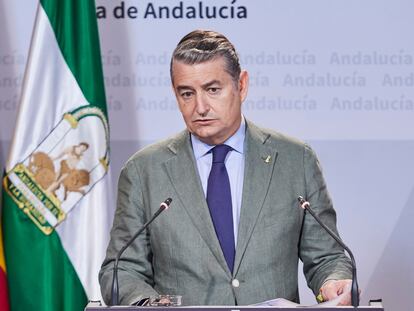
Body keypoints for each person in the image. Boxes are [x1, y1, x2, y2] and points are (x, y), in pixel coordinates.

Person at [99, 30, 353, 306]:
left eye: (212, 89)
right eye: (187, 93)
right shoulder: (143, 171)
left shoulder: (295, 160)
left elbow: (327, 257)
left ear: (241, 85)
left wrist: (332, 282)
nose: (200, 107)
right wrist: (147, 304)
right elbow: (121, 270)